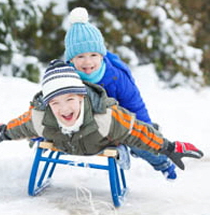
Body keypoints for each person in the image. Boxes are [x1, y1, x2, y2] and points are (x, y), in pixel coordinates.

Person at [0, 60, 203, 174]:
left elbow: (139, 131)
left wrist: (169, 147)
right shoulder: (41, 116)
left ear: (81, 96)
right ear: (48, 104)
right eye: (55, 102)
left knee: (136, 142)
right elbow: (21, 125)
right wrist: (2, 131)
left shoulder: (105, 116)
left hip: (103, 140)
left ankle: (161, 164)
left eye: (69, 99)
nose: (64, 108)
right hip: (69, 142)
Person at [64, 7, 176, 179]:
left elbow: (134, 104)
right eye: (80, 57)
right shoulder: (65, 76)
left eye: (93, 55)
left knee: (137, 136)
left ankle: (162, 162)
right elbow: (50, 102)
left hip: (117, 124)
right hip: (83, 129)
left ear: (101, 55)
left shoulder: (116, 76)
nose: (88, 62)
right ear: (71, 59)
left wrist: (145, 130)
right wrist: (40, 129)